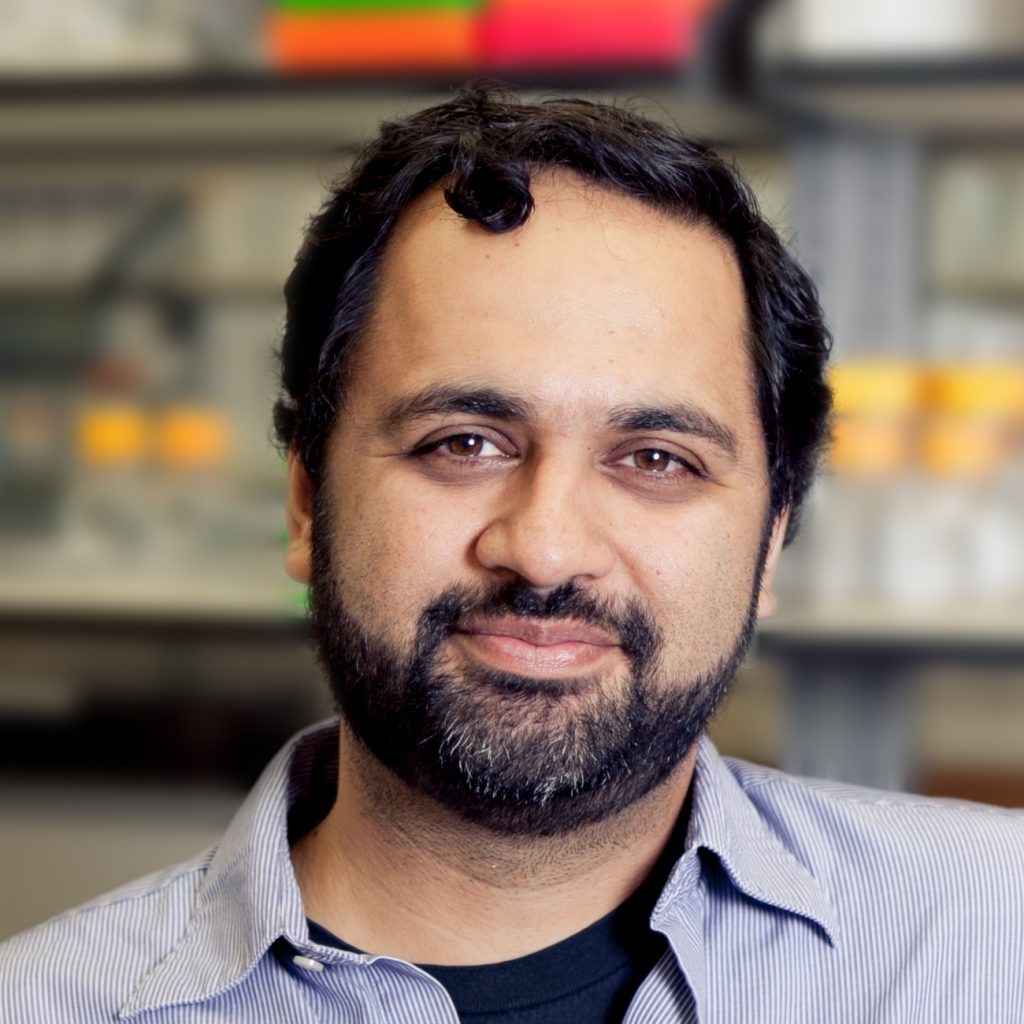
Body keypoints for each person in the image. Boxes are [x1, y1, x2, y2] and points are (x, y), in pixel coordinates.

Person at [2, 83, 1022, 1024]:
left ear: (770, 545)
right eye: (464, 443)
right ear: (306, 500)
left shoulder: (991, 935)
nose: (543, 549)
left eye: (657, 459)